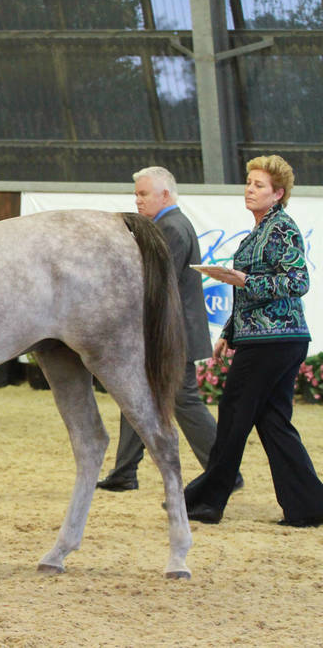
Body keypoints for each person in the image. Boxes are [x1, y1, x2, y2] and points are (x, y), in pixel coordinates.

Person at [183, 154, 323, 527]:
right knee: (273, 421)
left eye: (259, 185)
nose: (250, 189)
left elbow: (299, 283)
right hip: (269, 339)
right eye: (249, 182)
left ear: (278, 194)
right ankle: (309, 505)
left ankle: (207, 500)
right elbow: (251, 292)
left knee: (233, 415)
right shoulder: (260, 231)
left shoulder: (281, 230)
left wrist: (246, 281)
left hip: (274, 341)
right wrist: (229, 333)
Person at [97, 166, 241, 492]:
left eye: (143, 194)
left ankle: (225, 472)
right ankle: (123, 472)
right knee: (137, 395)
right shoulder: (168, 225)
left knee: (183, 401)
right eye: (136, 194)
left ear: (165, 194)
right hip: (170, 332)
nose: (137, 200)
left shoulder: (170, 228)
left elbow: (156, 285)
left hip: (174, 334)